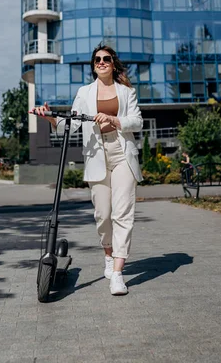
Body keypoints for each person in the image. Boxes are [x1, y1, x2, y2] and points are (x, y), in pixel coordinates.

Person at [33, 44, 143, 296]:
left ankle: (117, 273)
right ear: (94, 65)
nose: (101, 62)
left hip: (122, 152)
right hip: (96, 155)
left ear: (113, 64)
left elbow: (137, 121)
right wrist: (50, 118)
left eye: (106, 59)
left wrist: (114, 120)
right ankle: (108, 254)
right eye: (97, 60)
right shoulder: (84, 93)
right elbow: (68, 125)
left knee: (122, 213)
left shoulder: (126, 92)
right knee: (103, 214)